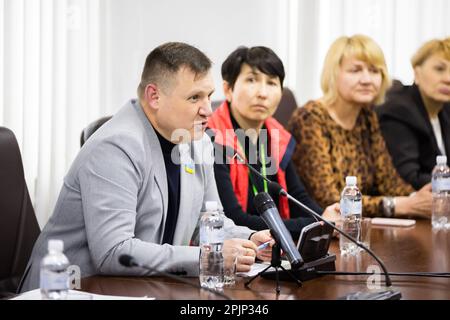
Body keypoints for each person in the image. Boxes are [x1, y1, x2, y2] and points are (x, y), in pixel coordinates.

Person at [19, 42, 273, 292]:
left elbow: (205, 223)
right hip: (72, 288)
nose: (208, 110)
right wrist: (205, 257)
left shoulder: (198, 141)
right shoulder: (115, 147)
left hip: (142, 286)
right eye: (194, 97)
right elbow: (113, 253)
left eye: (208, 96)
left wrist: (249, 239)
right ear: (154, 96)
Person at [288, 35, 432, 218]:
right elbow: (329, 200)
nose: (366, 79)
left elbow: (389, 182)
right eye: (355, 70)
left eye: (374, 71)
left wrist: (417, 199)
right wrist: (398, 205)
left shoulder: (366, 117)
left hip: (357, 230)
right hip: (321, 233)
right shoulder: (310, 118)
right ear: (334, 74)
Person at [207, 46, 340, 241]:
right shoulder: (212, 139)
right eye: (251, 80)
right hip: (235, 252)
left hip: (273, 249)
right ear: (228, 89)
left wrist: (326, 218)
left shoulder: (277, 136)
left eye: (271, 83)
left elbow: (296, 196)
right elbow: (233, 219)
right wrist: (316, 224)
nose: (262, 93)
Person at [377, 37, 450, 189]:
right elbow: (410, 177)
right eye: (439, 69)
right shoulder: (400, 110)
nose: (448, 78)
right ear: (417, 73)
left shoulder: (445, 109)